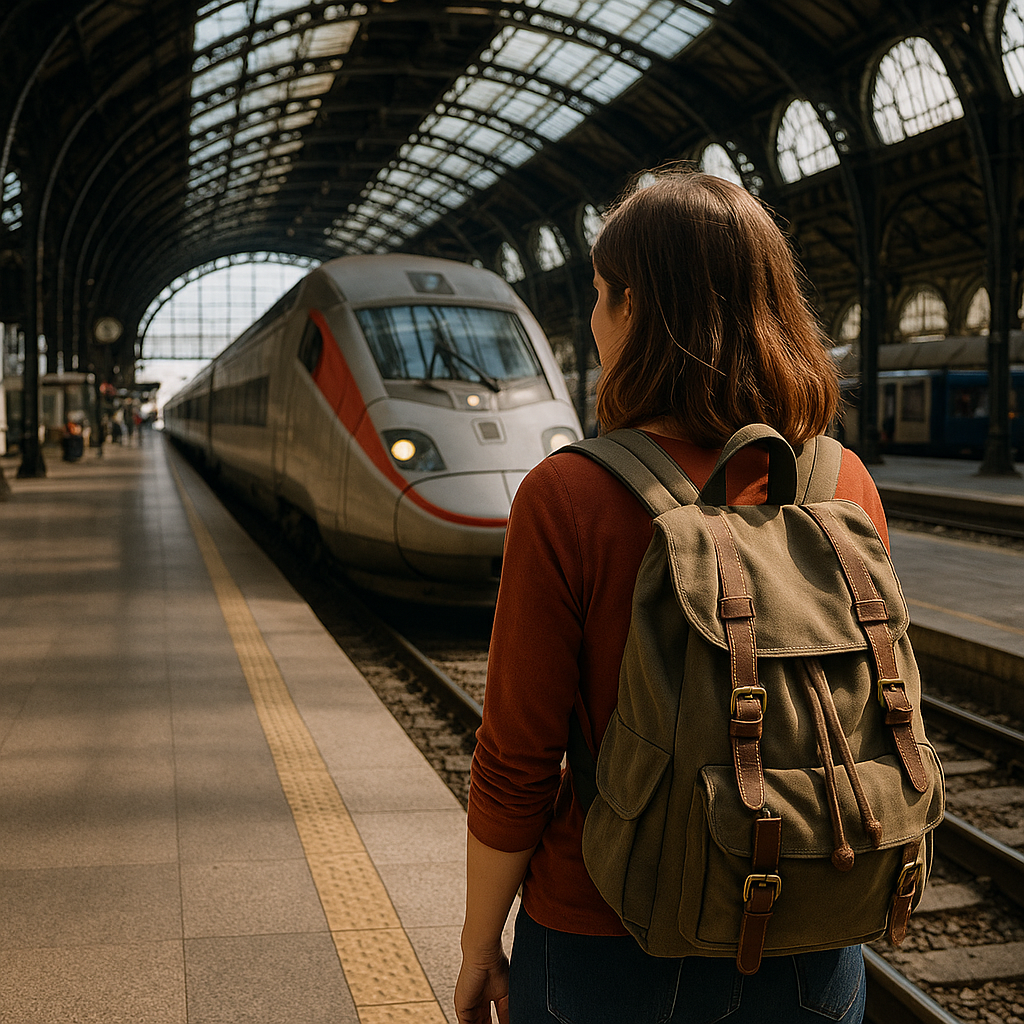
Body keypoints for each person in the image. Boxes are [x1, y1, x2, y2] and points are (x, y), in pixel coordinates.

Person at [455, 170, 886, 1024]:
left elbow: (518, 764)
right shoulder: (844, 482)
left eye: (599, 295)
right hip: (814, 931)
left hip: (607, 941)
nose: (591, 318)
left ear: (632, 308)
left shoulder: (568, 495)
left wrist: (478, 945)